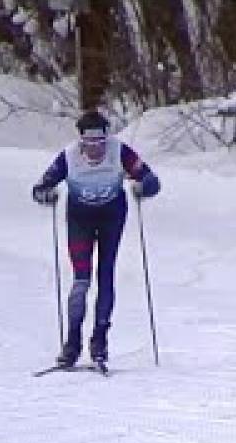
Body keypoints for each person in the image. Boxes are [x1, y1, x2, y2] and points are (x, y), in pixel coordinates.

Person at [31, 110, 161, 367]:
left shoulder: (119, 151)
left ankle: (100, 341)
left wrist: (144, 186)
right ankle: (72, 344)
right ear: (81, 141)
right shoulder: (68, 157)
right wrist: (47, 194)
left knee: (106, 275)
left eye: (100, 142)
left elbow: (152, 179)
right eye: (89, 143)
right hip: (80, 219)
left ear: (106, 138)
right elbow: (39, 188)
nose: (95, 149)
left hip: (112, 217)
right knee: (81, 280)